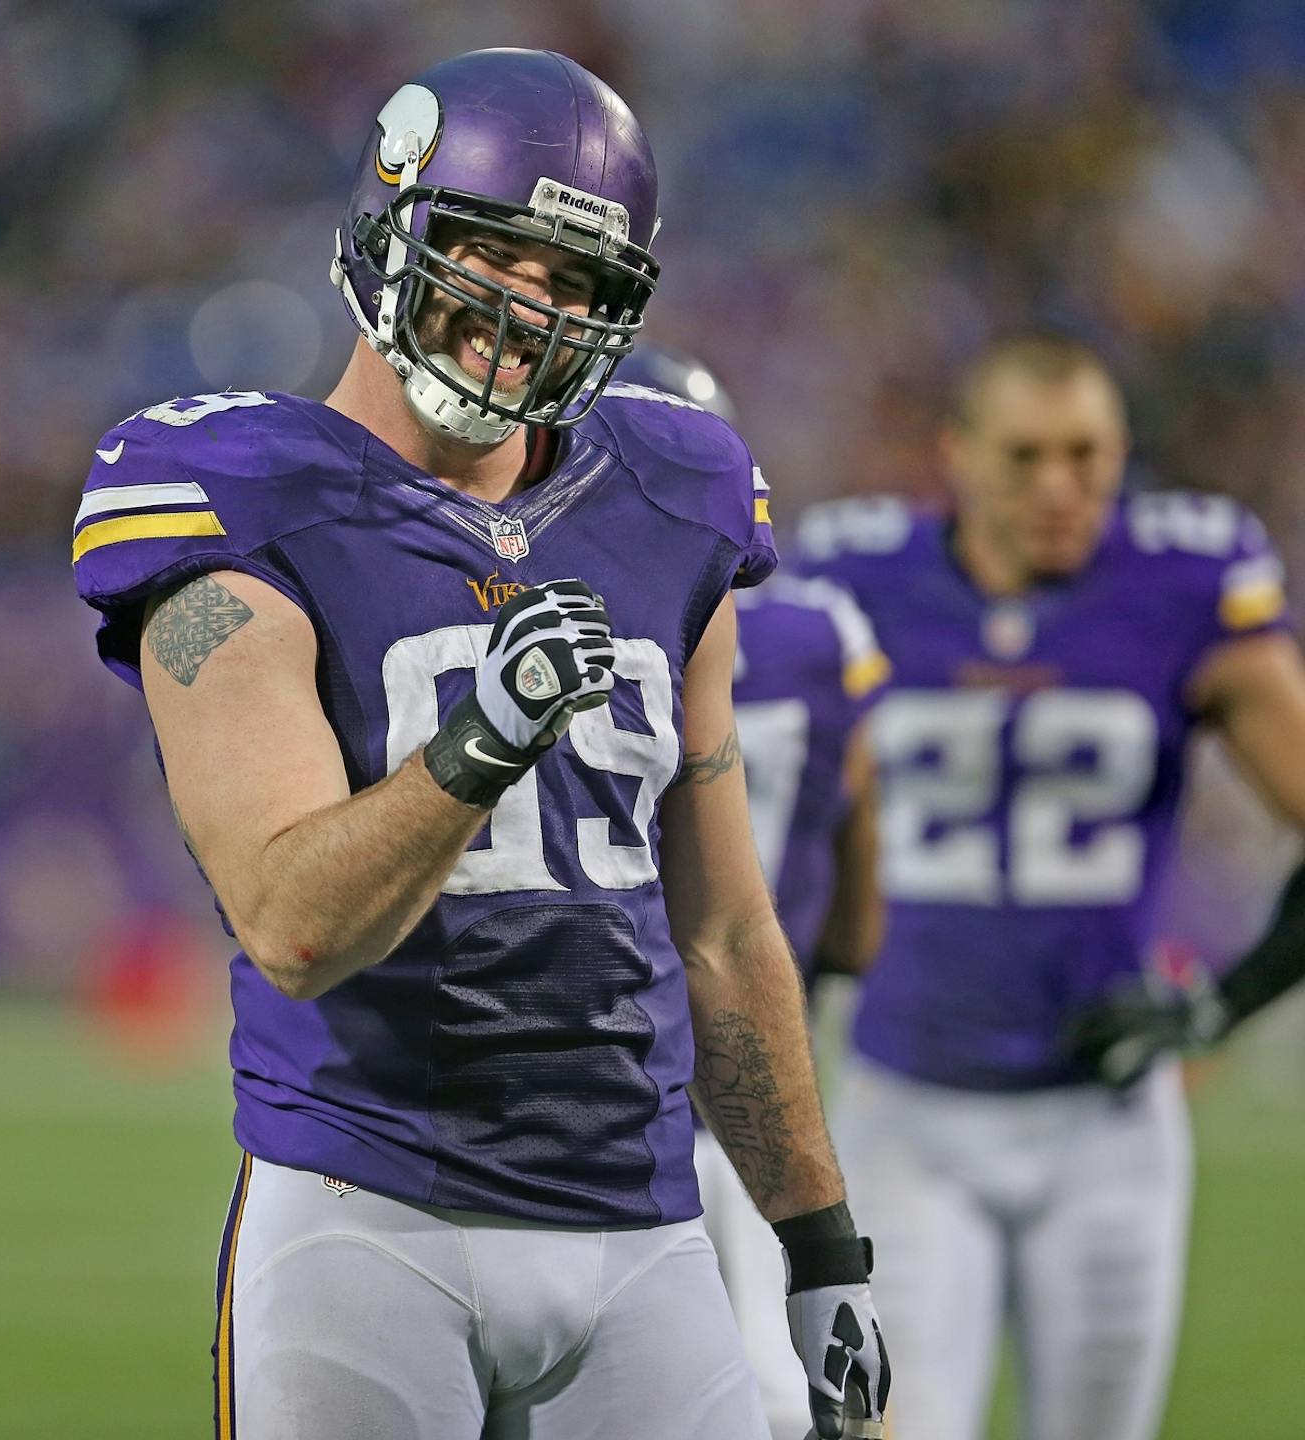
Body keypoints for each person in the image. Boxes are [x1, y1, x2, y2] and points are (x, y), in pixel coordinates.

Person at [71, 49, 888, 1439]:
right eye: (495, 255)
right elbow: (290, 922)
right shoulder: (228, 489)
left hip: (644, 1224)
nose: (530, 311)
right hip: (367, 1210)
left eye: (577, 284)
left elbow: (727, 930)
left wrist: (820, 1245)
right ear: (394, 230)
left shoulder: (675, 494)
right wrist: (480, 741)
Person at [797, 332, 1305, 1440]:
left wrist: (1230, 1000)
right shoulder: (853, 577)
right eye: (1025, 457)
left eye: (1087, 454)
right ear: (958, 456)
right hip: (908, 1107)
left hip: (1105, 1121)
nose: (1059, 486)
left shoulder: (1181, 582)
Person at [629, 347, 890, 1440]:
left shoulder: (546, 610)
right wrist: (820, 982)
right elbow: (861, 863)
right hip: (758, 1044)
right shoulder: (823, 636)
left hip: (615, 1058)